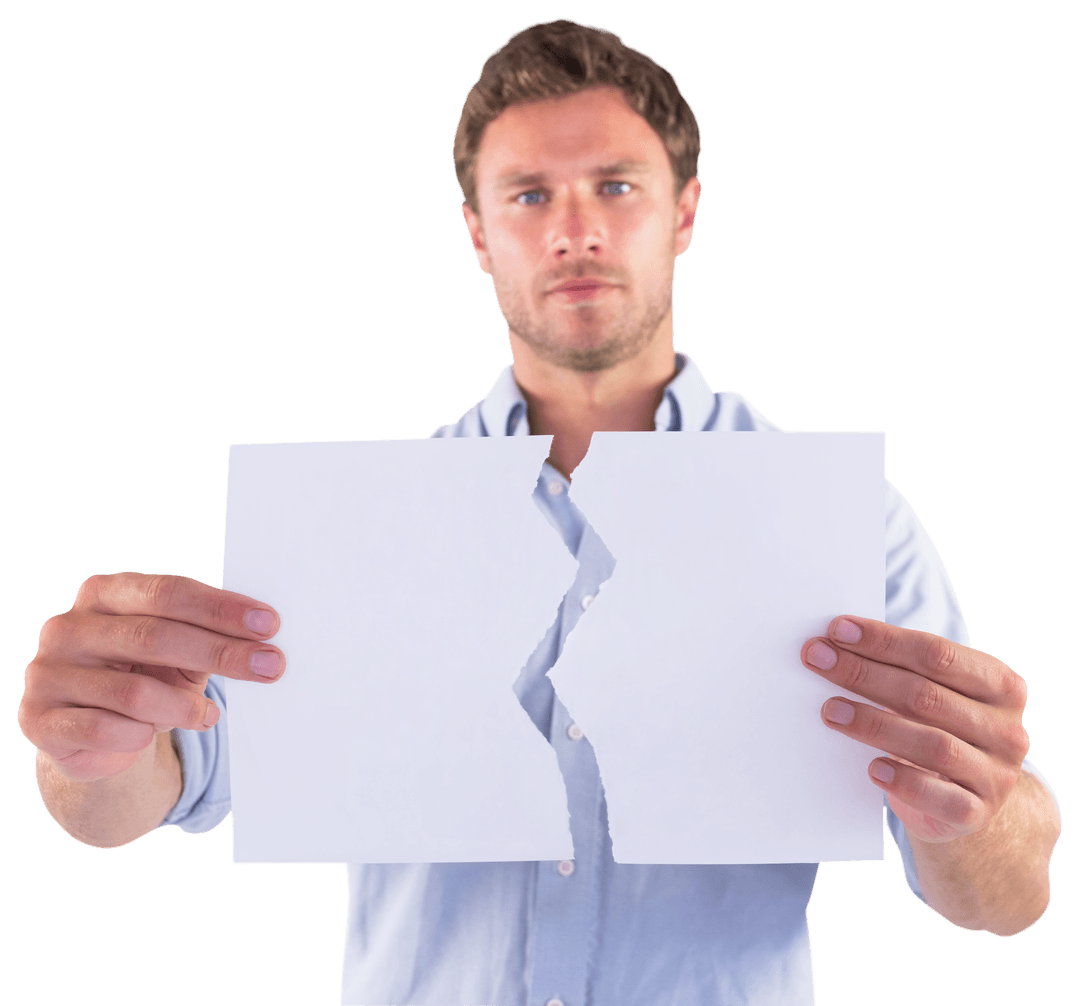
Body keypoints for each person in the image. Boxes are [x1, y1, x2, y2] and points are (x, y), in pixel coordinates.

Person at [17, 18, 1061, 1006]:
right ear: (478, 234)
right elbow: (156, 783)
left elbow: (1005, 897)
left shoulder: (841, 518)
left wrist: (979, 810)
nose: (575, 232)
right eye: (528, 195)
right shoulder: (360, 528)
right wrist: (87, 749)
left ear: (685, 213)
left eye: (616, 185)